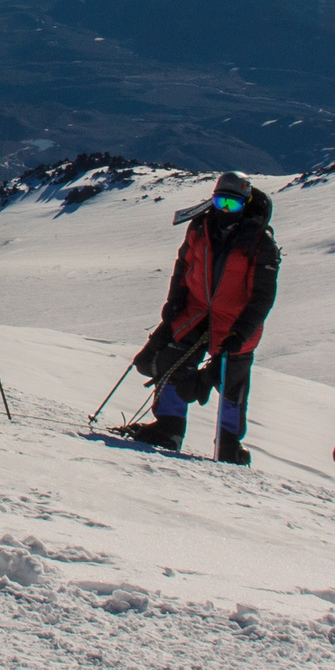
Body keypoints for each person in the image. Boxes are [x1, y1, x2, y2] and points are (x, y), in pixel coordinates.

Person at [115, 173, 281, 463]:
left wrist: (240, 332)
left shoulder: (260, 243)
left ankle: (228, 446)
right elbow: (184, 265)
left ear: (246, 204)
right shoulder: (200, 228)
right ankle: (169, 429)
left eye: (233, 204)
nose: (225, 209)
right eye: (221, 201)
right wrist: (173, 302)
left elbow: (262, 297)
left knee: (232, 385)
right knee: (170, 362)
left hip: (235, 325)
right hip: (194, 313)